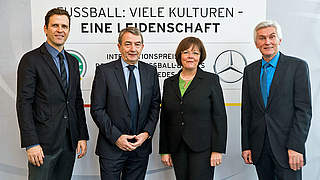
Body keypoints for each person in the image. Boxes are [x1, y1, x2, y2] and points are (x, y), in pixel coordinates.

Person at [16, 8, 89, 180]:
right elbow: (24, 103)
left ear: (69, 30)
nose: (60, 30)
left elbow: (76, 100)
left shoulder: (72, 61)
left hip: (69, 141)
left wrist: (81, 135)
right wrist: (31, 143)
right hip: (43, 144)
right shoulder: (31, 60)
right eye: (55, 25)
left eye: (64, 26)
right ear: (45, 29)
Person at [241, 20, 312, 180]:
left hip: (288, 148)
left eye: (272, 37)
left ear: (279, 40)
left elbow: (304, 111)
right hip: (259, 148)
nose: (267, 42)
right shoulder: (250, 71)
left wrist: (296, 146)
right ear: (256, 43)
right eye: (262, 38)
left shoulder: (297, 66)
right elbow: (247, 111)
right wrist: (246, 146)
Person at [90, 27, 161, 180]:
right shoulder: (104, 71)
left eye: (137, 44)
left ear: (142, 47)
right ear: (119, 47)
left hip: (140, 148)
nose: (133, 49)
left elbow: (155, 106)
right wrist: (117, 137)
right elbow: (97, 109)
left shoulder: (151, 72)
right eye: (128, 44)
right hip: (111, 147)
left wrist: (147, 134)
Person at [159, 37, 227, 180]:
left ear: (201, 57)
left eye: (195, 53)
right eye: (186, 52)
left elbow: (219, 117)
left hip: (203, 149)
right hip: (177, 148)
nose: (190, 56)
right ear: (180, 56)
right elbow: (165, 118)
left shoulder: (211, 80)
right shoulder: (169, 83)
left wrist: (217, 150)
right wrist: (164, 150)